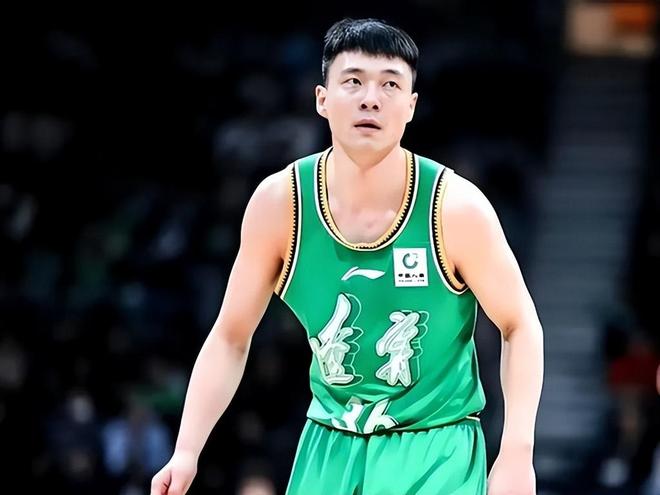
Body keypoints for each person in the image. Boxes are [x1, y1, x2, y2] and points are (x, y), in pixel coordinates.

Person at [150, 17, 544, 495]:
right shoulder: (280, 204)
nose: (370, 99)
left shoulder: (455, 208)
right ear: (322, 99)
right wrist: (186, 450)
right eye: (353, 81)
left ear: (411, 106)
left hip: (436, 445)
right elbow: (231, 336)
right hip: (328, 441)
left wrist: (517, 453)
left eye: (390, 84)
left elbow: (520, 324)